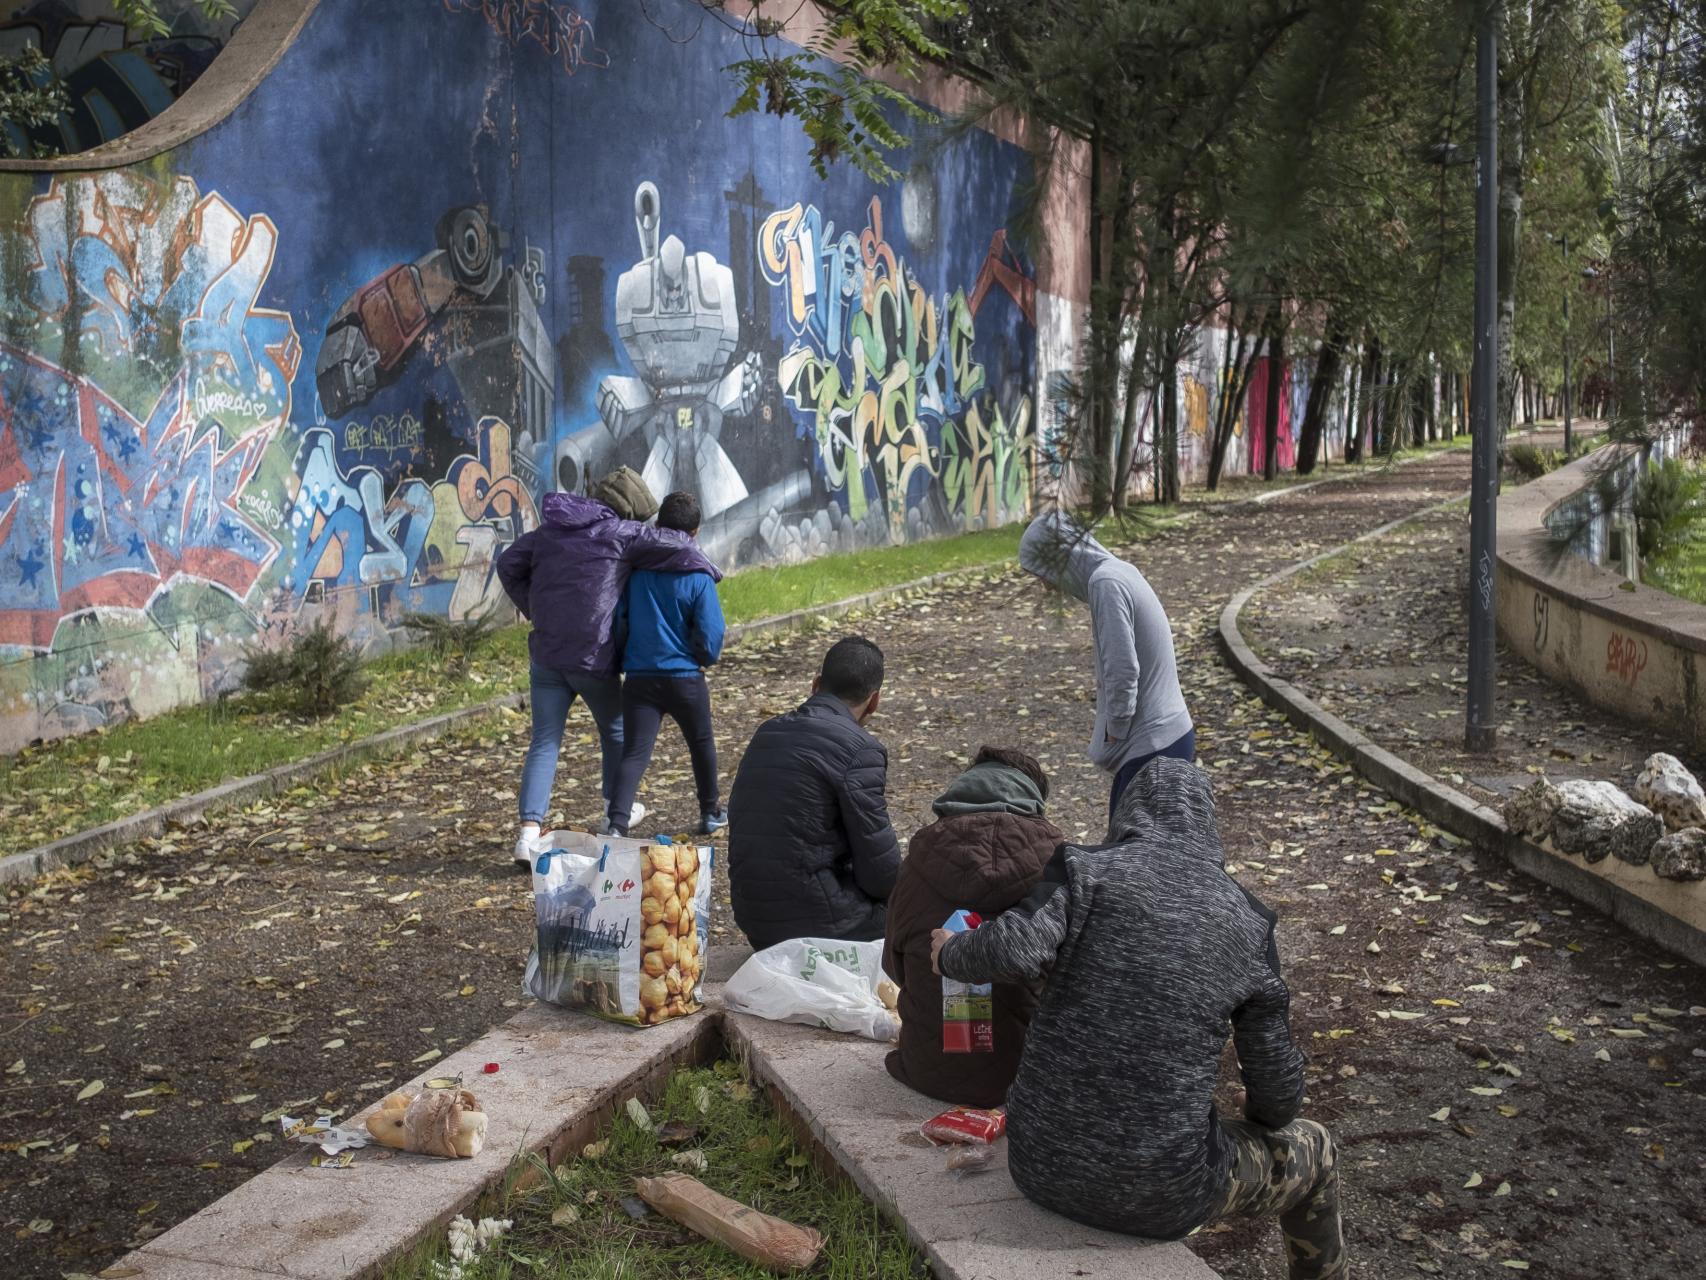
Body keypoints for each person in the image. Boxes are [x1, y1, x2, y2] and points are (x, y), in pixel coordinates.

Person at [930, 757, 1345, 1280]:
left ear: (1127, 812)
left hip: (1038, 1164)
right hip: (1166, 1194)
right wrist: (1260, 1112)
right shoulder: (1249, 921)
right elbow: (1281, 1095)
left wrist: (951, 953)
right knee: (1319, 1148)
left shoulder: (1084, 870)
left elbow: (1013, 950)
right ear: (1208, 822)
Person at [495, 467, 719, 866]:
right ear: (630, 511)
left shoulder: (550, 531)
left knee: (545, 740)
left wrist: (534, 607)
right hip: (591, 656)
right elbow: (677, 544)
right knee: (616, 730)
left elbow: (508, 562)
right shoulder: (621, 533)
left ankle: (528, 834)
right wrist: (710, 573)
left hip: (547, 654)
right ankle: (613, 810)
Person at [881, 745, 1063, 1108]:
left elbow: (893, 965)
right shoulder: (1059, 861)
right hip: (1028, 1076)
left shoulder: (919, 858)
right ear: (1034, 803)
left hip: (928, 1069)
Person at [1018, 510, 1194, 825]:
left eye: (1043, 572)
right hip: (1166, 738)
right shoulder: (1118, 573)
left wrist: (1115, 731)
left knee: (1133, 860)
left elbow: (1122, 670)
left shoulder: (1106, 583)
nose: (1046, 585)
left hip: (1153, 747)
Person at [727, 635, 901, 950]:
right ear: (874, 700)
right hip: (819, 924)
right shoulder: (861, 750)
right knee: (918, 911)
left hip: (755, 919)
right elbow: (882, 875)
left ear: (815, 684)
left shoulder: (767, 733)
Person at [605, 492, 727, 837]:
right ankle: (710, 812)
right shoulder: (699, 576)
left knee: (634, 753)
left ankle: (616, 825)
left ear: (657, 526)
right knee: (701, 743)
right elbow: (710, 632)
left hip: (641, 679)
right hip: (686, 678)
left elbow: (620, 622)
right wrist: (702, 657)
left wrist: (625, 657)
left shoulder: (636, 572)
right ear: (695, 532)